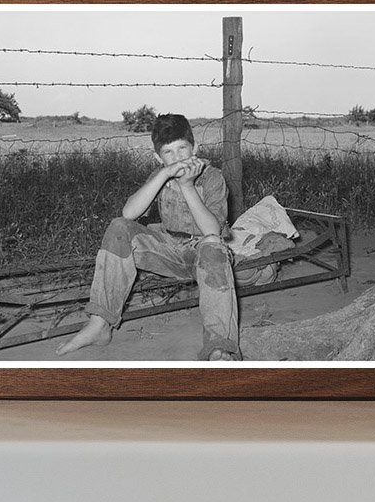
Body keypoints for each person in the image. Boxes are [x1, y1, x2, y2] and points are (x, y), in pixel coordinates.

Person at [56, 113, 241, 361]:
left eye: (182, 149)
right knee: (119, 227)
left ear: (195, 148)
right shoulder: (160, 175)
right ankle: (99, 324)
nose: (177, 158)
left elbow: (212, 230)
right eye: (168, 153)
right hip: (169, 249)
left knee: (213, 247)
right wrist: (163, 175)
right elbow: (129, 213)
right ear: (158, 157)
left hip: (204, 254)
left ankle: (219, 346)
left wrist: (187, 186)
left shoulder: (212, 177)